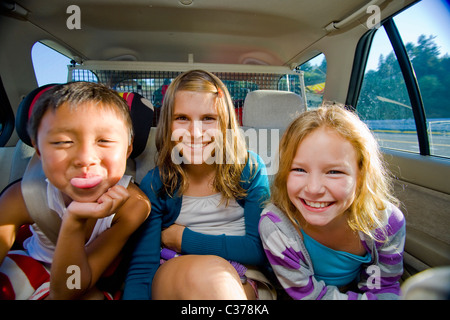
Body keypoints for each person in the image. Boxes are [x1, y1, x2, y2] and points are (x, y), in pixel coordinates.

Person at [123, 70, 274, 300]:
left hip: (242, 276)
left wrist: (182, 239)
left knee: (219, 286)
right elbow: (142, 270)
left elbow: (259, 250)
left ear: (225, 124)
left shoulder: (249, 169)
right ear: (168, 125)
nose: (195, 133)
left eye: (208, 118)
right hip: (174, 267)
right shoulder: (157, 183)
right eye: (182, 118)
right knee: (209, 279)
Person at [0, 82, 150, 300]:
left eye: (104, 141)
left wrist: (74, 221)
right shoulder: (22, 196)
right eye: (63, 142)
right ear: (39, 150)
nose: (85, 159)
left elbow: (69, 290)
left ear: (128, 148)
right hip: (28, 267)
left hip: (79, 282)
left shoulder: (133, 205)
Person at [259, 104, 406, 300]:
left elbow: (383, 286)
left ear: (361, 175)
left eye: (334, 172)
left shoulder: (386, 222)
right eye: (299, 170)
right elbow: (309, 296)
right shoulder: (276, 226)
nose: (313, 189)